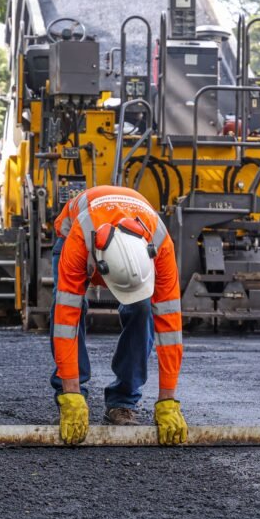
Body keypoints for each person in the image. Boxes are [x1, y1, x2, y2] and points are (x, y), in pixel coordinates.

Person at [49, 185, 186, 446]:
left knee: (143, 309)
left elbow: (170, 329)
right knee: (66, 308)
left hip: (125, 242)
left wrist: (168, 400)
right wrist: (71, 395)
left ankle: (122, 402)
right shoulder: (78, 242)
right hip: (73, 238)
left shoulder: (159, 246)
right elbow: (64, 323)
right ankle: (72, 398)